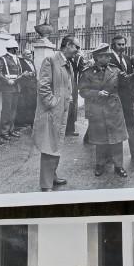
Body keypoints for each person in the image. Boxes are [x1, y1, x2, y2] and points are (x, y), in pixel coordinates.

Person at [32, 35, 79, 191]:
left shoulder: (68, 63)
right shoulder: (51, 61)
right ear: (67, 45)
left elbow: (66, 85)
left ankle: (52, 176)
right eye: (76, 47)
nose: (78, 50)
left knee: (57, 144)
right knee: (49, 146)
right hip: (51, 112)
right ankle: (46, 185)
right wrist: (53, 104)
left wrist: (67, 101)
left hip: (62, 112)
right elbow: (43, 87)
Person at [79, 44, 129, 178]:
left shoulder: (115, 70)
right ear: (97, 57)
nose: (109, 58)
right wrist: (97, 93)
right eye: (106, 56)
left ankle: (119, 166)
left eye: (108, 56)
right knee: (100, 140)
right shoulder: (88, 73)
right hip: (98, 109)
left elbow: (124, 88)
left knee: (117, 139)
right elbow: (82, 91)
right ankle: (100, 164)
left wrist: (125, 80)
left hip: (114, 108)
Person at [109, 34, 134, 168]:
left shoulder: (126, 58)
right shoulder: (108, 58)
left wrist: (132, 91)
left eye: (123, 44)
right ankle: (110, 157)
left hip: (127, 98)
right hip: (113, 98)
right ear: (113, 45)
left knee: (131, 125)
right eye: (119, 44)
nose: (122, 47)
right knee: (113, 127)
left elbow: (130, 77)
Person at [0, 40, 23, 143]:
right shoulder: (3, 59)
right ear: (12, 49)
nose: (17, 50)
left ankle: (11, 130)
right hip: (7, 88)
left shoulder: (17, 59)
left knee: (13, 109)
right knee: (7, 110)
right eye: (16, 48)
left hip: (16, 87)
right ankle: (4, 132)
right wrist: (7, 80)